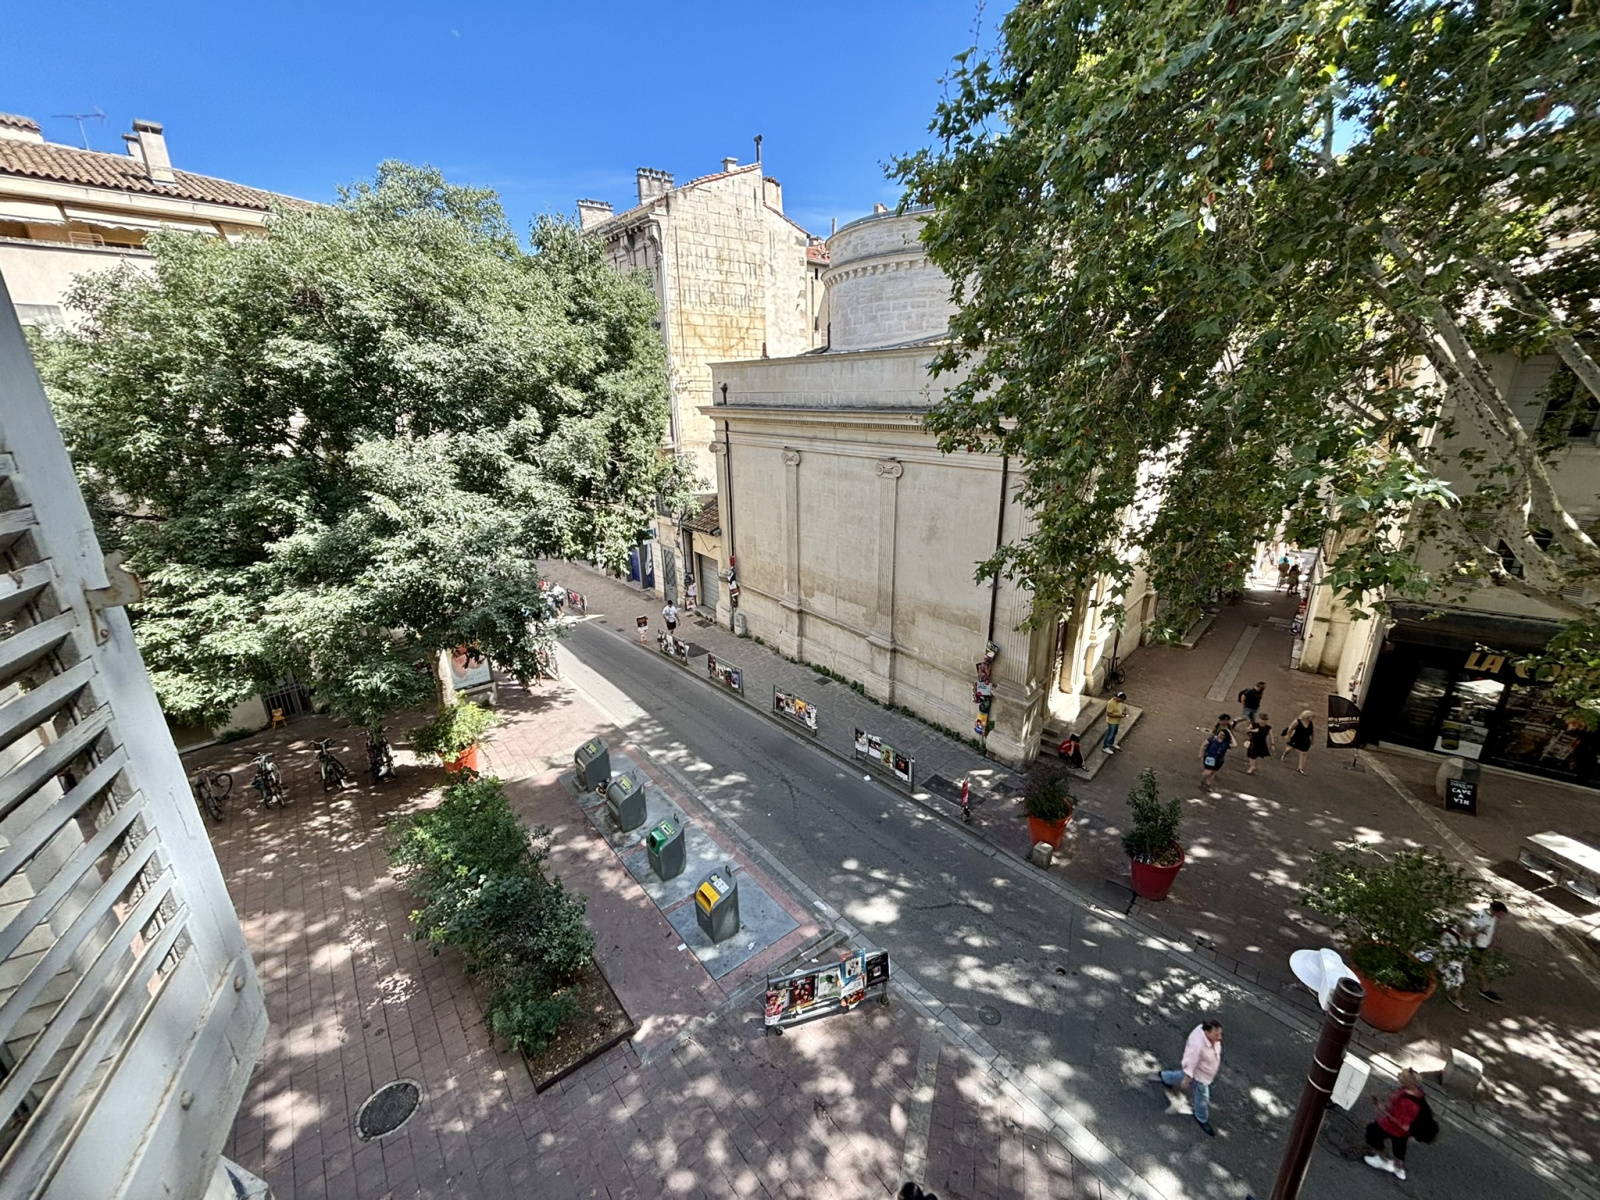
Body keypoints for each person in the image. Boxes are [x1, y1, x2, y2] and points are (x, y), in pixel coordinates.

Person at [1156, 1020, 1224, 1136]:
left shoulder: (1209, 1036)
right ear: (1207, 1032)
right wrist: (1188, 1076)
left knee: (1180, 1076)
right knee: (1202, 1097)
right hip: (1201, 1075)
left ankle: (1165, 1077)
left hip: (1203, 1072)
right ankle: (1201, 1118)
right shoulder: (1197, 1045)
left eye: (1220, 1034)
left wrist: (1187, 1077)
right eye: (1216, 1035)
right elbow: (1190, 1061)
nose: (1220, 1038)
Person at [1365, 1069, 1426, 1180]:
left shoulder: (1406, 1102)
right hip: (1403, 1131)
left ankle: (1377, 1156)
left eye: (1402, 1076)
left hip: (1395, 1127)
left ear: (1408, 1081)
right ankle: (1399, 1169)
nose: (1399, 1076)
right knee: (1399, 1147)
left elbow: (1398, 1121)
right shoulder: (1413, 1093)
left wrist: (1382, 1109)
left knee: (1373, 1130)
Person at [1469, 901, 1509, 1002]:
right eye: (1501, 914)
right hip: (1477, 946)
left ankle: (1484, 988)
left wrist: (1494, 939)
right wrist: (1473, 946)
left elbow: (1495, 925)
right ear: (1495, 911)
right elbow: (1473, 932)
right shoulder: (1481, 918)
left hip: (1483, 946)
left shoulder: (1493, 916)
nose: (1502, 917)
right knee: (1479, 968)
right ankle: (1484, 989)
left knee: (1479, 967)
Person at [1201, 717, 1235, 788]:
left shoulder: (1225, 743)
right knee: (1208, 771)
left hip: (1219, 760)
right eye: (1220, 734)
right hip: (1210, 757)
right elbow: (1204, 745)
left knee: (1213, 772)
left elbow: (1235, 744)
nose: (1220, 736)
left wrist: (1230, 734)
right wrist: (1201, 754)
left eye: (1222, 735)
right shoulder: (1212, 739)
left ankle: (1208, 784)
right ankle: (1203, 781)